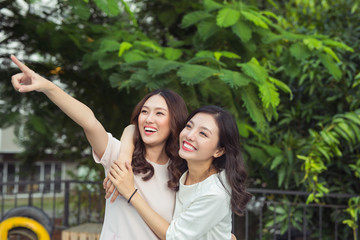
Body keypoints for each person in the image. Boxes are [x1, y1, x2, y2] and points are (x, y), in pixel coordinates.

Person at [9, 55, 188, 239]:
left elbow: (174, 234)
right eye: (144, 111)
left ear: (175, 121)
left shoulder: (182, 173)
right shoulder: (118, 156)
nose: (149, 119)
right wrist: (47, 86)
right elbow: (89, 122)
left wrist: (131, 192)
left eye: (159, 113)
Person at [109, 105, 252, 239]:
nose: (190, 135)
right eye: (189, 126)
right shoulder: (180, 164)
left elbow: (174, 236)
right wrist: (123, 159)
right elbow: (132, 129)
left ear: (219, 150)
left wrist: (131, 193)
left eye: (203, 134)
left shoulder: (215, 193)